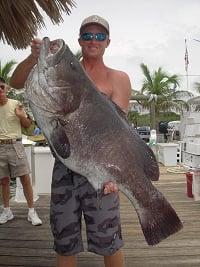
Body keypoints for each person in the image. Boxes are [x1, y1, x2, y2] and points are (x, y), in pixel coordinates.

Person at [10, 15, 132, 267]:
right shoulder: (60, 68)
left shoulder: (118, 78)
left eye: (99, 36)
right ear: (80, 40)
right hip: (65, 169)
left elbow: (118, 131)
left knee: (110, 239)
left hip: (101, 171)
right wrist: (34, 57)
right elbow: (16, 82)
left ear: (108, 42)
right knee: (64, 240)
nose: (93, 40)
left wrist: (114, 175)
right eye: (87, 35)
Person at [0, 77, 42, 226]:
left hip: (15, 145)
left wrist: (21, 116)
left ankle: (32, 212)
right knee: (3, 181)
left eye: (1, 86)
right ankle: (7, 211)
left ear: (6, 89)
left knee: (25, 179)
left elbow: (29, 127)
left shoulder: (16, 104)